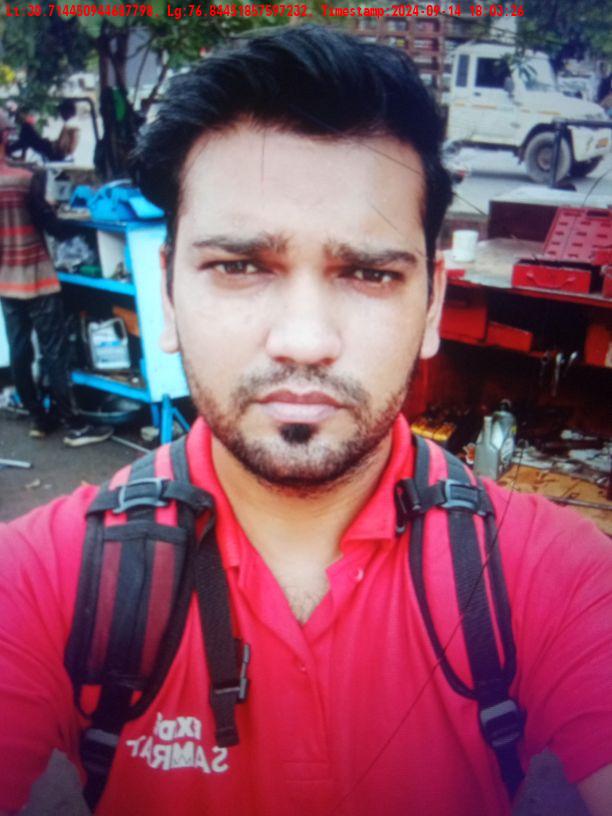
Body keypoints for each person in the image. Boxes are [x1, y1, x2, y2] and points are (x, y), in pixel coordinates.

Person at [0, 26, 611, 816]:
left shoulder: (553, 576)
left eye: (368, 273)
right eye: (240, 266)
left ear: (432, 303)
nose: (304, 340)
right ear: (168, 293)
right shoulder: (45, 580)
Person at [0, 109, 112, 445]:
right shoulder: (25, 178)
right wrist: (80, 221)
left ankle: (38, 418)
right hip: (36, 276)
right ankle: (73, 423)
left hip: (6, 280)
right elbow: (51, 225)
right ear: (4, 136)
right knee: (54, 350)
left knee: (20, 351)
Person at [7, 99, 80, 163]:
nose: (60, 114)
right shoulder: (74, 123)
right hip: (58, 154)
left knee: (27, 128)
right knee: (28, 135)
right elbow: (66, 146)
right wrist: (51, 142)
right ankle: (12, 151)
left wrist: (51, 144)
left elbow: (61, 146)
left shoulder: (69, 125)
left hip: (55, 155)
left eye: (61, 111)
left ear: (67, 111)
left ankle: (9, 151)